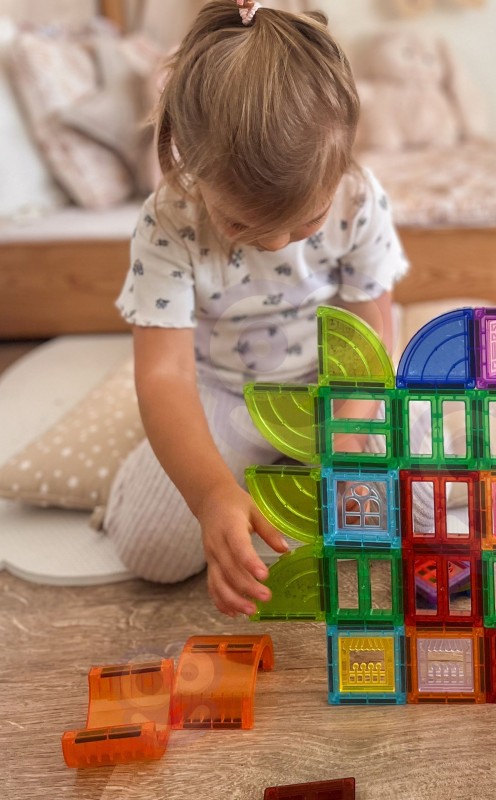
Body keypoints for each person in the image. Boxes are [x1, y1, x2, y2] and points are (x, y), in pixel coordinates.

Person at [104, 0, 408, 618]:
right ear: (190, 164)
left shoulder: (358, 197)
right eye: (242, 224)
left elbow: (371, 331)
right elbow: (164, 375)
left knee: (415, 514)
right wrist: (211, 493)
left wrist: (349, 425)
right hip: (226, 391)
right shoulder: (168, 220)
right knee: (149, 550)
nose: (273, 244)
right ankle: (218, 474)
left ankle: (285, 471)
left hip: (335, 385)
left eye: (307, 220)